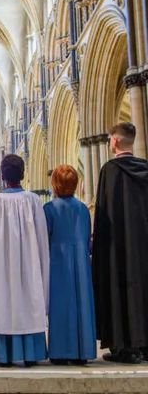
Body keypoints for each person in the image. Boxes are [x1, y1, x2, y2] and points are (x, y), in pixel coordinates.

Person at [92, 122, 148, 364]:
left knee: (119, 291)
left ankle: (124, 347)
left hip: (117, 248)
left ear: (114, 141)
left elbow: (102, 214)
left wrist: (98, 246)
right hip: (143, 246)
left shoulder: (109, 170)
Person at [0, 154, 49, 367]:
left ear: (3, 176)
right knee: (28, 302)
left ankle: (3, 354)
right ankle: (30, 353)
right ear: (23, 174)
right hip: (29, 263)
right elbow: (41, 237)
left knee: (4, 304)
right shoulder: (33, 200)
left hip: (2, 265)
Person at [44, 165, 96, 365]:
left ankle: (60, 352)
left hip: (58, 262)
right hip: (81, 263)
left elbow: (45, 238)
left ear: (55, 184)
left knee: (60, 306)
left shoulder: (49, 209)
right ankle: (82, 351)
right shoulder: (83, 209)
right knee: (81, 302)